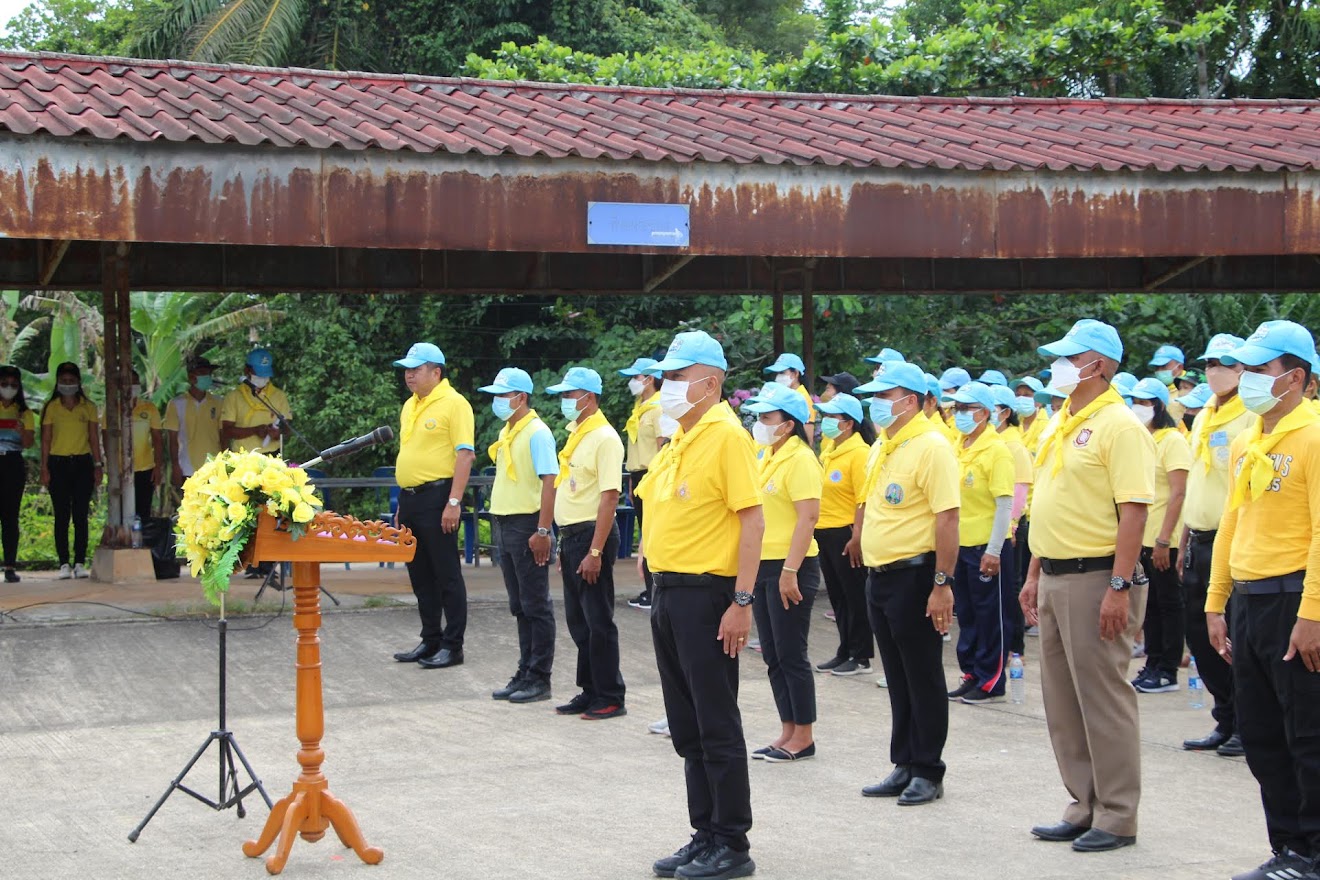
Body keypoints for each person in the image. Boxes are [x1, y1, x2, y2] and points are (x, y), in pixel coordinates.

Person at [1020, 319, 1156, 854]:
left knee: (1102, 698)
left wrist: (1119, 586)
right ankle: (1084, 803)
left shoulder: (1119, 426)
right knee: (1063, 700)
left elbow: (1135, 513)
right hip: (1055, 573)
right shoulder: (1063, 419)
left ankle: (1118, 814)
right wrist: (1033, 573)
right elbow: (1047, 504)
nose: (1057, 367)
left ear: (1094, 365)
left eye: (1066, 358)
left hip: (1097, 575)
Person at [636, 330, 763, 880]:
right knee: (687, 724)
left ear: (710, 382)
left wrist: (741, 599)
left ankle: (732, 843)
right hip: (669, 593)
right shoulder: (682, 435)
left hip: (708, 595)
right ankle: (704, 831)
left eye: (676, 377)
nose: (666, 387)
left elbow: (752, 519)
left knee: (715, 721)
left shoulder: (725, 436)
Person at [1206, 321, 1320, 880]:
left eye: (1258, 369)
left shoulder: (1314, 437)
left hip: (1294, 598)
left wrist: (1312, 615)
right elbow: (1233, 519)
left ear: (1295, 377)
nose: (1246, 378)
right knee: (1260, 734)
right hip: (1249, 601)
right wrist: (1216, 599)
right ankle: (1288, 850)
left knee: (1307, 735)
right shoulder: (1252, 436)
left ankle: (1313, 854)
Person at [852, 361, 959, 806]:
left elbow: (948, 517)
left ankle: (928, 769)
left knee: (922, 673)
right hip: (881, 577)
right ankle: (904, 762)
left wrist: (941, 583)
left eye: (884, 394)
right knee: (896, 675)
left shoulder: (932, 446)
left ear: (910, 400)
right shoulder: (885, 444)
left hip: (916, 575)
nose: (876, 403)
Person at [1180, 335, 1252, 755]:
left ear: (1243, 367)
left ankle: (1246, 721)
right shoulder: (1205, 411)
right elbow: (1197, 480)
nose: (1213, 369)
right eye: (1208, 361)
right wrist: (1184, 534)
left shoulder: (1250, 415)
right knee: (1200, 634)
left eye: (1224, 362)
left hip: (1234, 539)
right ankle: (1224, 718)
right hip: (1199, 538)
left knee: (1234, 635)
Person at [743, 383, 822, 763]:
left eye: (767, 417)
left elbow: (808, 517)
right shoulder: (765, 456)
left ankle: (804, 735)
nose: (759, 423)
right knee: (773, 653)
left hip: (792, 565)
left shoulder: (801, 460)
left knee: (792, 652)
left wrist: (790, 570)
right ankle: (787, 728)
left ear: (788, 425)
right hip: (763, 565)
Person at [549, 367, 627, 720]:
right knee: (579, 621)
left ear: (589, 398)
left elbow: (609, 497)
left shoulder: (605, 438)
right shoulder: (578, 434)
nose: (565, 401)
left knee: (598, 620)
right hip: (572, 538)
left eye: (570, 395)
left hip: (591, 536)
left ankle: (610, 694)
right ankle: (590, 689)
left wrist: (595, 551)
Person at [390, 343, 474, 670]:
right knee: (420, 573)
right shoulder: (410, 406)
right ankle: (430, 639)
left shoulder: (455, 404)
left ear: (436, 372)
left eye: (416, 369)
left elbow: (464, 455)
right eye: (407, 369)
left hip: (439, 497)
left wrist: (454, 501)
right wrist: (401, 502)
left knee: (446, 573)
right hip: (410, 498)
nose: (409, 375)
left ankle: (453, 645)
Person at [481, 367, 559, 705]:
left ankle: (540, 677)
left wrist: (543, 529)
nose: (497, 402)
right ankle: (525, 669)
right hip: (504, 522)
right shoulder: (509, 431)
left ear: (521, 397)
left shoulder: (537, 433)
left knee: (535, 604)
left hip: (527, 525)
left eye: (502, 395)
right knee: (519, 605)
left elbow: (549, 481)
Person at [945, 382, 1016, 704]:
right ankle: (972, 672)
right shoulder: (960, 445)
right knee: (968, 613)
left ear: (985, 413)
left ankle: (992, 680)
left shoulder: (996, 450)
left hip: (987, 547)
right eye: (956, 409)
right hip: (961, 544)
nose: (958, 415)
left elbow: (1004, 504)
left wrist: (994, 550)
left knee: (991, 616)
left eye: (965, 409)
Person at [1126, 378, 1191, 694]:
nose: (1138, 407)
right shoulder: (1140, 438)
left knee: (1168, 602)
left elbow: (1178, 492)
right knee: (1149, 603)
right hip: (1143, 536)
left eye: (1146, 402)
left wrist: (1165, 539)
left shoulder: (1172, 440)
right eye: (1135, 401)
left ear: (1160, 406)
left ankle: (1168, 668)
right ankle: (1152, 662)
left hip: (1164, 538)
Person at [814, 392, 875, 677]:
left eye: (831, 417)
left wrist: (858, 534)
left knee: (854, 595)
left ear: (848, 423)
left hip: (846, 532)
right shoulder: (830, 451)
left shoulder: (859, 453)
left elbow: (864, 498)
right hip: (825, 531)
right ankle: (845, 648)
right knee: (838, 596)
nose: (825, 422)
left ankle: (860, 654)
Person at [40, 362, 101, 580]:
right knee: (62, 516)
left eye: (71, 381)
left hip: (83, 464)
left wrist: (98, 464)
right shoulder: (51, 407)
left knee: (81, 516)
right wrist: (44, 467)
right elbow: (46, 439)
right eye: (63, 381)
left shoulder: (88, 406)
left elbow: (94, 438)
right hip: (58, 465)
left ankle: (79, 563)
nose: (68, 385)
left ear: (78, 382)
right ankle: (64, 562)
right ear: (57, 383)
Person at [989, 384, 1034, 657]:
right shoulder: (990, 441)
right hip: (995, 523)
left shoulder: (1014, 445)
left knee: (1010, 588)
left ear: (1005, 413)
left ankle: (1015, 646)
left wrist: (1013, 524)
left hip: (1012, 526)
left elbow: (1020, 488)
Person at [620, 356, 662, 610]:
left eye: (636, 377)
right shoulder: (639, 407)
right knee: (644, 531)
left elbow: (661, 447)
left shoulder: (658, 409)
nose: (632, 382)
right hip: (637, 476)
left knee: (652, 533)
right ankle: (649, 589)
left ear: (649, 379)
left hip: (652, 474)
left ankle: (654, 589)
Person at [101, 370, 162, 522]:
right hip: (120, 470)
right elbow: (106, 439)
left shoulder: (149, 408)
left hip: (145, 469)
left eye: (135, 382)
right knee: (121, 512)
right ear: (120, 386)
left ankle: (143, 544)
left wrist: (158, 466)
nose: (131, 385)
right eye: (127, 382)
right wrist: (113, 467)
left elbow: (157, 439)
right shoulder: (111, 409)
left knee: (143, 512)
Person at [163, 356, 222, 491]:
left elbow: (224, 435)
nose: (207, 377)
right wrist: (175, 466)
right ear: (191, 377)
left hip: (213, 466)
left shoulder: (219, 402)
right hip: (187, 467)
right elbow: (172, 439)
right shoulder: (176, 404)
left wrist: (224, 463)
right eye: (202, 373)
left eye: (208, 373)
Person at [220, 348, 291, 453]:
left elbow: (288, 428)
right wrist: (254, 430)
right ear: (246, 370)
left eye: (265, 374)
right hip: (243, 457)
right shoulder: (233, 397)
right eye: (258, 373)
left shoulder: (279, 395)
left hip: (272, 455)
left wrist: (278, 432)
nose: (262, 377)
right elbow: (227, 431)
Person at [0, 366, 34, 582]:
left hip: (13, 464)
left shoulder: (25, 412)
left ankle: (10, 566)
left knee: (10, 517)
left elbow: (29, 443)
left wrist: (22, 431)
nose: (8, 388)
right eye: (4, 384)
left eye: (13, 384)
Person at [764, 353, 815, 444]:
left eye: (782, 373)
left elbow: (807, 437)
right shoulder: (787, 396)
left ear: (795, 373)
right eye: (777, 374)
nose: (777, 378)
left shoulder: (802, 399)